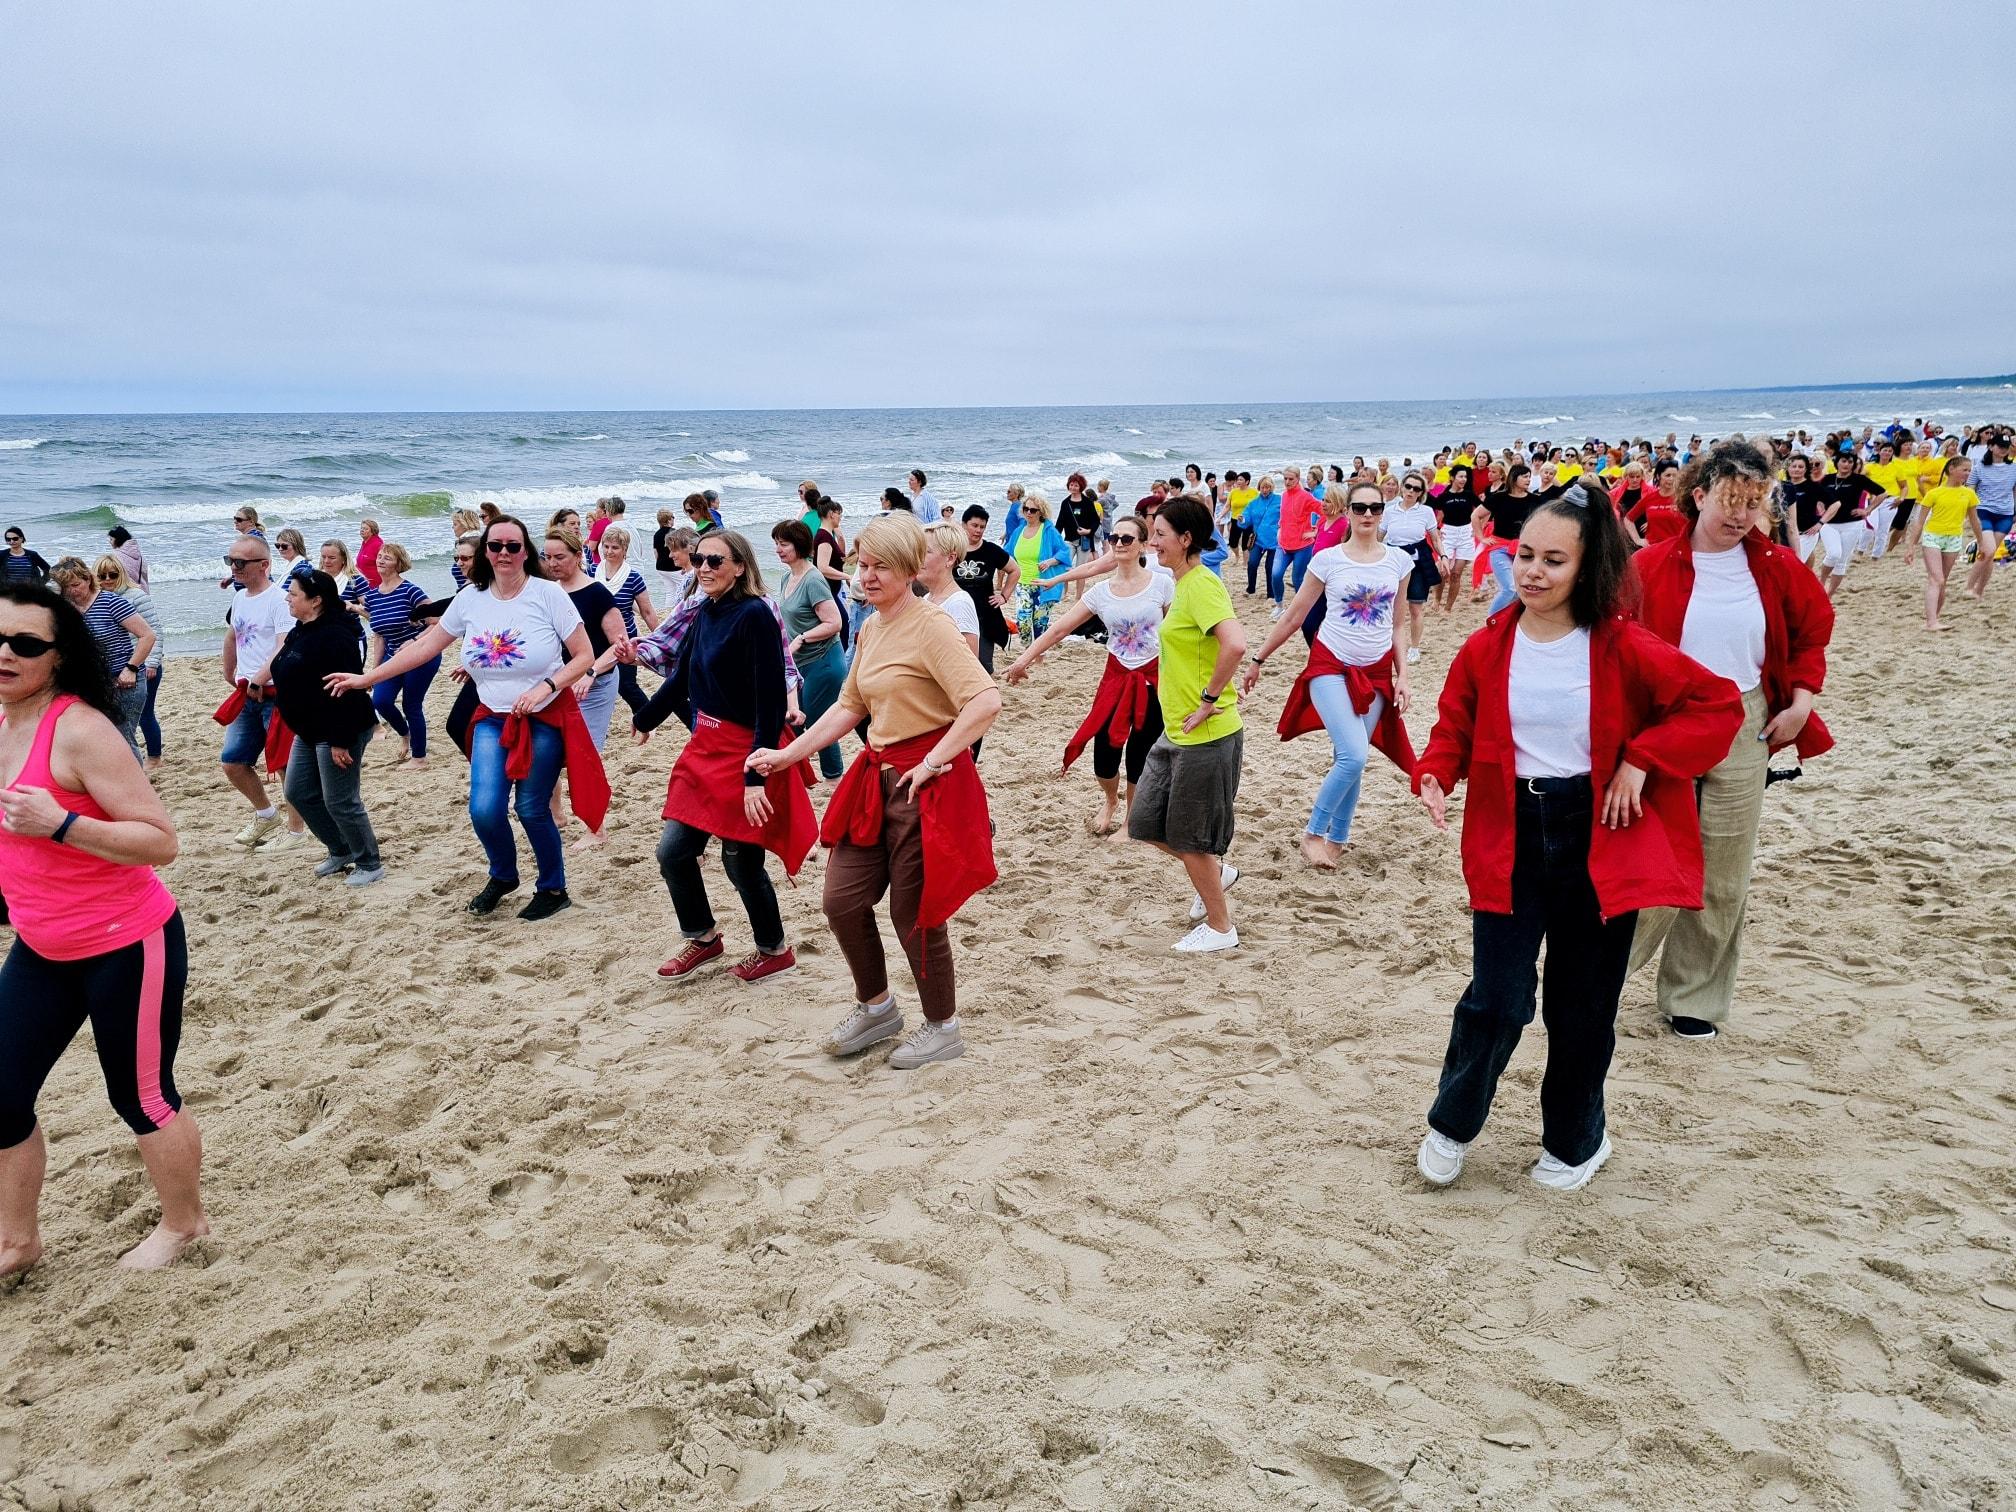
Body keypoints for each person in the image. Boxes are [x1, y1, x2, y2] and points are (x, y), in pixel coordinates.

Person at [1411, 483, 1742, 1192]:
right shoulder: (1487, 645)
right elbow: (1455, 723)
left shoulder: (1623, 644)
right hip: (1511, 837)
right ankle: (1452, 1124)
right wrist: (1436, 770)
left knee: (1582, 1006)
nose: (1533, 571)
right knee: (1496, 998)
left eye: (1554, 560)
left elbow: (1714, 705)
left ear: (1587, 568)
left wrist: (1641, 760)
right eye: (1526, 555)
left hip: (1600, 838)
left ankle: (1576, 1140)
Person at [0, 579, 206, 1274]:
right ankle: (17, 1241)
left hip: (127, 943)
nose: (6, 653)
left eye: (25, 643)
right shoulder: (3, 722)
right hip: (40, 946)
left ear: (58, 656)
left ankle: (185, 1225)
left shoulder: (81, 729)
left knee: (141, 1096)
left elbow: (160, 841)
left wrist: (61, 823)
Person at [747, 514, 1001, 1069]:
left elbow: (985, 701)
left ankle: (943, 1027)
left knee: (915, 913)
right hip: (875, 778)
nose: (865, 576)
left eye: (879, 566)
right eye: (862, 565)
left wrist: (934, 761)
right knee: (841, 900)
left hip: (925, 785)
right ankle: (878, 1007)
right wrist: (789, 755)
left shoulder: (932, 626)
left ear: (909, 570)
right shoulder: (870, 627)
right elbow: (850, 705)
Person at [1629, 440, 1836, 1038]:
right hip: (1668, 720)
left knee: (1724, 872)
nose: (1741, 514)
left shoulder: (1777, 566)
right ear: (1699, 496)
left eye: (1753, 502)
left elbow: (1811, 633)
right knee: (1651, 865)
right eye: (1730, 499)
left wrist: (1801, 701)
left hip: (1747, 720)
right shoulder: (1649, 566)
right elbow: (1614, 644)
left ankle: (1693, 999)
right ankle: (1596, 981)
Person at [326, 514, 602, 920]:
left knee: (531, 808)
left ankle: (553, 888)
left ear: (525, 551)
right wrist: (367, 678)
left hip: (544, 717)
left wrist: (545, 687)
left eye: (512, 546)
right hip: (491, 717)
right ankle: (504, 875)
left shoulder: (548, 594)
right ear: (486, 552)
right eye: (496, 546)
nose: (504, 553)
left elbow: (584, 655)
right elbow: (424, 647)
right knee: (484, 809)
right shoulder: (471, 598)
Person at [637, 530, 816, 983]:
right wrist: (646, 716)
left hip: (747, 750)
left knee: (740, 862)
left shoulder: (755, 614)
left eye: (716, 561)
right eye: (699, 559)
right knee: (673, 853)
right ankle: (704, 937)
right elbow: (682, 676)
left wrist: (756, 776)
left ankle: (774, 950)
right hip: (705, 747)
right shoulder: (705, 611)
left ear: (739, 566)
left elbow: (770, 699)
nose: (704, 568)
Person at [1243, 480, 1417, 871]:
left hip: (1376, 671)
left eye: (1375, 508)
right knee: (1354, 754)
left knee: (1350, 756)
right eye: (1360, 508)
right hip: (1330, 664)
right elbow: (1294, 616)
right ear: (1348, 512)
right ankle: (1313, 834)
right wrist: (1258, 659)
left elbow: (1397, 625)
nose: (1368, 514)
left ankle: (1338, 837)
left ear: (1383, 512)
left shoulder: (1398, 561)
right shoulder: (1328, 560)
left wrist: (1402, 675)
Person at [1125, 497, 1246, 953]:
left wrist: (1209, 700)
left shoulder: (1202, 585)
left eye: (1159, 535)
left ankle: (1220, 927)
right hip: (1176, 731)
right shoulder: (1182, 583)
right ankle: (1217, 873)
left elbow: (1235, 644)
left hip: (1206, 735)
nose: (1152, 542)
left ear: (1186, 538)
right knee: (1144, 823)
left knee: (1190, 838)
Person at [1005, 514, 1171, 836]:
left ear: (1142, 545)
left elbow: (1178, 635)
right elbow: (1060, 629)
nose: (1119, 543)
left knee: (1140, 751)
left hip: (1153, 678)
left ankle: (1130, 821)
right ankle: (1110, 799)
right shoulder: (1101, 592)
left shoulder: (1162, 584)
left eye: (1127, 538)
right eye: (1114, 538)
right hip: (1116, 676)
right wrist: (1023, 660)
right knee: (1104, 753)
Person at [270, 570, 384, 885]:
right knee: (298, 792)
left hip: (339, 729)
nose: (287, 598)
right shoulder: (302, 629)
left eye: (294, 594)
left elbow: (346, 691)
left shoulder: (336, 636)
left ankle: (369, 862)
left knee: (340, 800)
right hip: (309, 729)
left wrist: (339, 740)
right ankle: (341, 849)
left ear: (316, 600)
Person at [49, 557, 155, 759]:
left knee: (122, 738)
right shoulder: (65, 609)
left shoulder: (111, 602)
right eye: (66, 587)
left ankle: (133, 778)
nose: (72, 590)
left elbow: (147, 636)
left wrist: (131, 668)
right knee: (95, 737)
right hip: (90, 683)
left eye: (76, 584)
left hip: (124, 682)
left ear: (88, 579)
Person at [771, 520, 848, 781]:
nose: (778, 549)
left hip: (824, 661)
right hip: (798, 662)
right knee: (792, 719)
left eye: (784, 544)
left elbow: (834, 623)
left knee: (817, 722)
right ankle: (795, 774)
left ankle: (833, 776)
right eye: (776, 544)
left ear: (800, 545)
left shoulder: (813, 579)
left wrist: (802, 639)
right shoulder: (787, 576)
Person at [359, 543, 438, 768]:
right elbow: (379, 636)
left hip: (421, 654)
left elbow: (437, 622)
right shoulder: (372, 596)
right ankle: (405, 733)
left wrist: (414, 641)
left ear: (399, 563)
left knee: (411, 704)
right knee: (381, 701)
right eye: (379, 556)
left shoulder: (410, 591)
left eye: (387, 558)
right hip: (393, 656)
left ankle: (419, 757)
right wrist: (375, 671)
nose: (381, 560)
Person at [94, 556, 166, 768]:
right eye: (102, 575)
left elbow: (154, 631)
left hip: (141, 664)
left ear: (122, 574)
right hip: (112, 669)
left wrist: (152, 662)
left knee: (145, 713)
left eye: (113, 574)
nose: (108, 579)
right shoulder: (95, 600)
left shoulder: (135, 596)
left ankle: (154, 757)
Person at [1906, 457, 1983, 631]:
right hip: (1933, 536)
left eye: (1969, 470)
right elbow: (1919, 522)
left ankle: (1934, 618)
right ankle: (1931, 623)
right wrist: (1911, 546)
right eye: (1964, 469)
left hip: (1954, 538)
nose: (1967, 473)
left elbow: (1974, 520)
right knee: (1937, 579)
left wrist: (1980, 541)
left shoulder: (1969, 493)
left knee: (1943, 581)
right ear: (1951, 469)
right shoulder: (1934, 493)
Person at [595, 524, 660, 715]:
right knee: (598, 684)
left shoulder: (633, 577)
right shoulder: (592, 573)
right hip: (597, 640)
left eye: (615, 547)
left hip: (625, 640)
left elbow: (647, 611)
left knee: (626, 685)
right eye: (606, 546)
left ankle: (648, 717)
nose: (609, 551)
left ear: (624, 550)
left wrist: (660, 638)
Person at [1378, 473, 1443, 660]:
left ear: (1421, 492)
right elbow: (1378, 538)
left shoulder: (1426, 511)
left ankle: (1414, 648)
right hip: (1393, 561)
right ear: (1402, 487)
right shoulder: (1389, 511)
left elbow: (1435, 538)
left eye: (1416, 488)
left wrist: (1443, 556)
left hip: (1417, 561)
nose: (1411, 491)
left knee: (1415, 607)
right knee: (1389, 606)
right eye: (1408, 486)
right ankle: (1388, 645)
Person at [951, 505, 1017, 673]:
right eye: (974, 525)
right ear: (964, 524)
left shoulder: (991, 550)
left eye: (982, 527)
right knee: (956, 661)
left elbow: (1015, 570)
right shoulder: (952, 549)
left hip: (984, 615)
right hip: (955, 613)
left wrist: (1004, 596)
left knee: (983, 664)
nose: (978, 530)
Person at [1814, 450, 1885, 598]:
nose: (1846, 464)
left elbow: (1882, 493)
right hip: (1829, 523)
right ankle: (1821, 583)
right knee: (1833, 553)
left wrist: (1868, 510)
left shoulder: (1859, 479)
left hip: (1852, 524)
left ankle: (1829, 595)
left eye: (1850, 462)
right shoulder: (1827, 479)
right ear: (1837, 462)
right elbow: (1817, 496)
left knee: (1841, 561)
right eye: (1843, 461)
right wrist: (1820, 507)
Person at [1004, 492, 1069, 645]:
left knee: (1040, 624)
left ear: (1041, 512)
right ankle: (1028, 651)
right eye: (1026, 509)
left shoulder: (1048, 531)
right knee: (1023, 622)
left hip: (1043, 584)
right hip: (1022, 584)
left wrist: (1050, 561)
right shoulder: (1019, 531)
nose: (1028, 512)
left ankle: (1038, 652)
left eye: (1033, 510)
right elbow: (1006, 554)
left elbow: (1064, 552)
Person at [1963, 430, 2014, 603]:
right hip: (1984, 511)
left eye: (2006, 447)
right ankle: (1969, 587)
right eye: (2000, 446)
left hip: (2005, 514)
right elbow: (1969, 491)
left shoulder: (2013, 468)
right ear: (1991, 446)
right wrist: (1969, 513)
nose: (2003, 449)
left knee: (1990, 554)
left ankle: (1979, 590)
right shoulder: (1979, 468)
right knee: (1988, 550)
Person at [917, 522, 982, 655]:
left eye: (926, 552)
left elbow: (969, 660)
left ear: (950, 558)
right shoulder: (927, 598)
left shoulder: (959, 604)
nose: (917, 558)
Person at [1269, 466, 1322, 613]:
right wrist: (1280, 528)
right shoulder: (1284, 495)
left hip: (1302, 546)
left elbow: (1324, 511)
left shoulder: (1306, 496)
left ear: (1298, 479)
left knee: (1297, 580)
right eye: (1285, 478)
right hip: (1283, 544)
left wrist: (1315, 532)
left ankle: (1302, 611)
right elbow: (1285, 517)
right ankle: (1279, 606)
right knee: (1276, 574)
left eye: (1291, 479)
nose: (1287, 482)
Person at [1243, 475, 1281, 597]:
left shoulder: (1279, 500)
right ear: (1259, 487)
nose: (1265, 490)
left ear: (1271, 488)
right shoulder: (1253, 503)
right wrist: (1242, 520)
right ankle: (1251, 588)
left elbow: (1288, 515)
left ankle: (1271, 594)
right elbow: (1246, 519)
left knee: (1270, 568)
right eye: (1263, 487)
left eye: (1268, 487)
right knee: (1252, 563)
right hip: (1258, 540)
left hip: (1274, 540)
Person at [107, 526, 148, 592]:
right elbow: (145, 576)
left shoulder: (115, 556)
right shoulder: (140, 556)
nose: (110, 542)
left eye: (111, 539)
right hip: (142, 591)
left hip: (126, 593)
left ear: (118, 539)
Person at [356, 518, 384, 588]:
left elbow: (386, 565)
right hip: (363, 583)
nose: (362, 530)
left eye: (366, 529)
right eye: (361, 528)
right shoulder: (365, 543)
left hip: (376, 585)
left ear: (373, 531)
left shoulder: (378, 544)